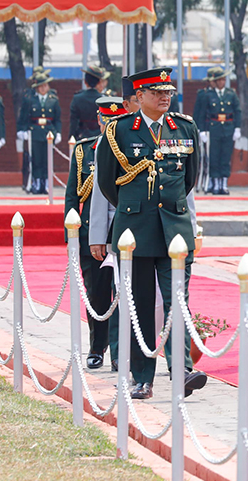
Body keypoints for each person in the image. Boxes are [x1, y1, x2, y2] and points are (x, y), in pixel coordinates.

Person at [95, 67, 206, 400]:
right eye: (157, 92)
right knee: (141, 305)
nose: (165, 97)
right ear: (138, 97)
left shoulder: (184, 127)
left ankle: (181, 372)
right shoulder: (120, 131)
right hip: (136, 229)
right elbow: (107, 182)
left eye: (168, 92)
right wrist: (136, 209)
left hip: (175, 230)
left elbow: (190, 178)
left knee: (177, 303)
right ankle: (142, 378)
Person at [64, 101, 116, 370]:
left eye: (114, 120)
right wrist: (71, 237)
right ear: (98, 120)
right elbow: (73, 195)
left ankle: (119, 349)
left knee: (121, 292)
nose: (108, 125)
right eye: (105, 120)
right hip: (89, 231)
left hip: (118, 230)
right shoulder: (85, 150)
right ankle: (97, 347)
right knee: (96, 293)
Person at [88, 94, 134, 372]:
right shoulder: (94, 147)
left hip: (143, 226)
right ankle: (111, 350)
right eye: (108, 120)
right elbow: (99, 196)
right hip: (113, 232)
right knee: (108, 294)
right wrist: (97, 236)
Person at [194, 67, 242, 195]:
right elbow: (202, 113)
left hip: (228, 128)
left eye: (223, 79)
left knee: (226, 156)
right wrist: (202, 130)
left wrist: (237, 127)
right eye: (219, 80)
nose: (222, 82)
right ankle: (215, 184)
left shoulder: (231, 93)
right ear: (214, 81)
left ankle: (224, 184)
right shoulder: (208, 95)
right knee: (214, 157)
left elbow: (237, 111)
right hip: (213, 128)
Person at [17, 74, 62, 195]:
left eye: (45, 85)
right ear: (36, 87)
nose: (43, 88)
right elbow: (24, 117)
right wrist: (22, 130)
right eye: (40, 86)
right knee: (36, 159)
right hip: (35, 132)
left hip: (49, 131)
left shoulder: (53, 99)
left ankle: (47, 184)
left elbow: (57, 119)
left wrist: (58, 132)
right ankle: (36, 183)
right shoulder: (30, 99)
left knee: (47, 159)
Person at [71, 65, 110, 142]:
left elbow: (73, 123)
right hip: (101, 138)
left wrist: (72, 138)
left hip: (82, 137)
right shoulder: (104, 99)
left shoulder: (77, 98)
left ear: (85, 82)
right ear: (99, 82)